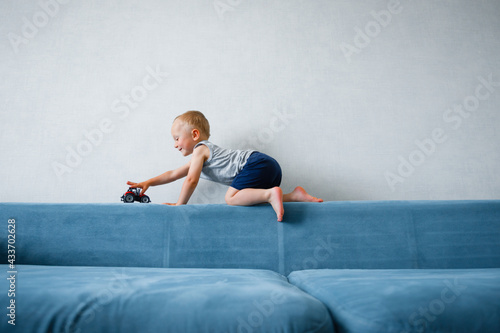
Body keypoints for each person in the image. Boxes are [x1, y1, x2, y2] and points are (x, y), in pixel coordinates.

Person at [127, 111, 322, 221]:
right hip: (269, 167)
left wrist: (180, 205)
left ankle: (271, 194)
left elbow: (191, 179)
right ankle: (294, 195)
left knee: (231, 198)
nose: (175, 144)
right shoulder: (201, 156)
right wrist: (148, 183)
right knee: (249, 199)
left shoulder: (200, 150)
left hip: (255, 164)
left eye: (177, 138)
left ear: (194, 135)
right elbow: (173, 174)